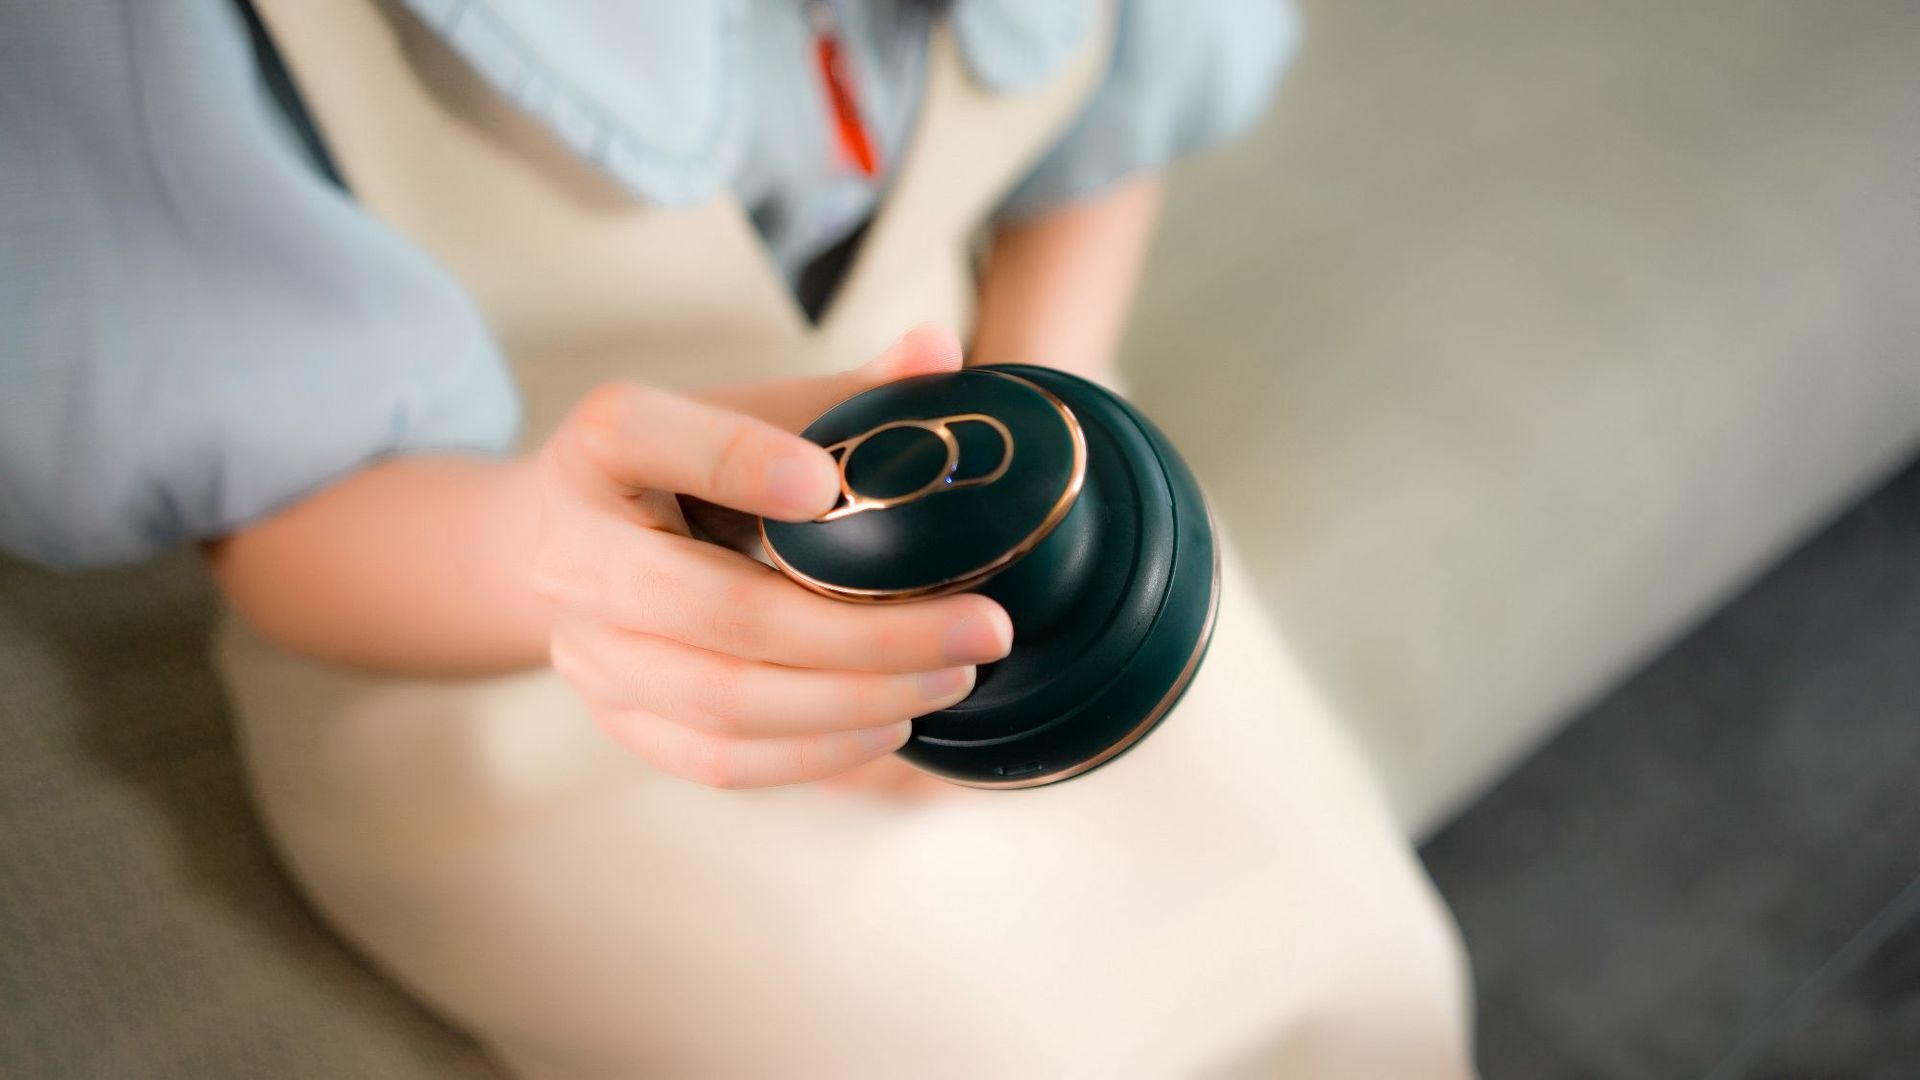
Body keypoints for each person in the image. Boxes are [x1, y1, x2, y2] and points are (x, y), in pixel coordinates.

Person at [1, 0, 1476, 1075]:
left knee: (1362, 976)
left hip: (998, 472)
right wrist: (571, 561)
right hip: (503, 608)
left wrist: (1046, 436)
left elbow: (1103, 118)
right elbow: (260, 490)